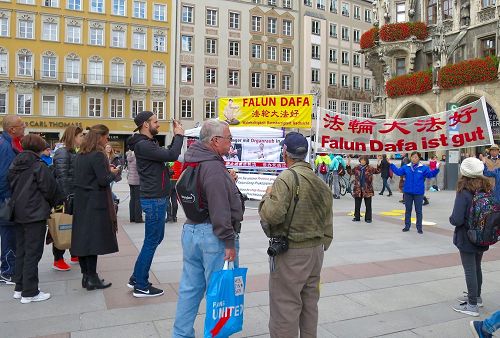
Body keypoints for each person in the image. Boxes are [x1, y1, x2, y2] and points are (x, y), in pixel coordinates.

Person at [172, 119, 243, 337]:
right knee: (219, 293)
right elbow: (220, 209)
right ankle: (216, 334)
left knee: (190, 289)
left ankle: (181, 333)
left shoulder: (193, 159)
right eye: (229, 138)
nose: (231, 142)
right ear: (215, 140)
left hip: (192, 229)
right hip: (213, 236)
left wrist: (225, 180)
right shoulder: (213, 166)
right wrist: (229, 242)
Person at [259, 132, 333, 337]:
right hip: (316, 251)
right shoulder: (319, 181)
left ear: (285, 153)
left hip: (292, 252)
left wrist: (266, 196)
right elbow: (328, 220)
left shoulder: (286, 178)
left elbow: (272, 215)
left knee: (285, 306)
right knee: (310, 305)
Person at [127, 111, 184, 298]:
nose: (158, 124)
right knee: (152, 241)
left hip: (155, 197)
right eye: (155, 121)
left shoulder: (147, 144)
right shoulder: (143, 145)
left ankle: (136, 277)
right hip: (154, 199)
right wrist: (179, 135)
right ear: (145, 124)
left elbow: (164, 155)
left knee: (154, 239)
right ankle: (141, 285)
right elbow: (172, 154)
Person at [8, 134, 58, 303]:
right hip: (35, 212)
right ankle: (30, 292)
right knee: (33, 252)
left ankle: (19, 287)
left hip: (18, 211)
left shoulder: (15, 163)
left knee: (21, 250)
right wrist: (54, 202)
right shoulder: (38, 165)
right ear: (39, 148)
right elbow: (50, 189)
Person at [72, 124, 120, 291]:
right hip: (95, 202)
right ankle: (92, 277)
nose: (107, 139)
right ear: (100, 137)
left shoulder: (80, 155)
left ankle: (86, 277)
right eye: (106, 136)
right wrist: (113, 173)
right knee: (93, 241)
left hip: (81, 201)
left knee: (83, 239)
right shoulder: (97, 155)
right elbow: (103, 180)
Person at [450, 157, 492, 317]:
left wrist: (451, 219)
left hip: (467, 236)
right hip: (483, 234)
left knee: (469, 269)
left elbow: (457, 219)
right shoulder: (486, 188)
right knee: (476, 267)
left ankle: (472, 305)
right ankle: (477, 297)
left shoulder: (464, 191)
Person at [51, 126, 84, 270]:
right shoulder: (62, 152)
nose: (83, 138)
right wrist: (66, 197)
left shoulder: (71, 152)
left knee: (73, 226)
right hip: (64, 197)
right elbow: (62, 177)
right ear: (73, 136)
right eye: (81, 135)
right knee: (62, 226)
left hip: (73, 195)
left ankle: (74, 252)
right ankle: (58, 259)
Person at [0, 115, 24, 285]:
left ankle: (10, 267)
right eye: (21, 125)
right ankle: (7, 271)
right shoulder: (6, 146)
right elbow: (4, 176)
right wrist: (8, 199)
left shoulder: (9, 143)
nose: (24, 126)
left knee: (10, 233)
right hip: (6, 198)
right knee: (9, 233)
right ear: (12, 129)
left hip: (7, 197)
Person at [390, 151, 439, 234]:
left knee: (418, 211)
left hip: (418, 193)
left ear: (419, 158)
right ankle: (407, 226)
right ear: (410, 158)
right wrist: (391, 164)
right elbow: (398, 172)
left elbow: (430, 175)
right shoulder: (406, 167)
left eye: (416, 157)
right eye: (412, 157)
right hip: (408, 192)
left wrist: (436, 169)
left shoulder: (423, 168)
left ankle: (419, 227)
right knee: (408, 210)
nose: (414, 159)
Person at [347, 155, 381, 223]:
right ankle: (357, 217)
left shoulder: (370, 168)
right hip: (358, 189)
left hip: (367, 189)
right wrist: (348, 165)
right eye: (361, 160)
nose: (362, 161)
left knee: (368, 205)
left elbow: (377, 171)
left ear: (366, 161)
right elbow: (350, 172)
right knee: (357, 204)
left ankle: (368, 218)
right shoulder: (357, 167)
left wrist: (378, 162)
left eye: (364, 160)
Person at [126, 147, 143, 223]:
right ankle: (138, 218)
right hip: (137, 180)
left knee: (132, 199)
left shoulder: (129, 155)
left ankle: (132, 217)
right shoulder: (137, 156)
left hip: (130, 180)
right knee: (138, 199)